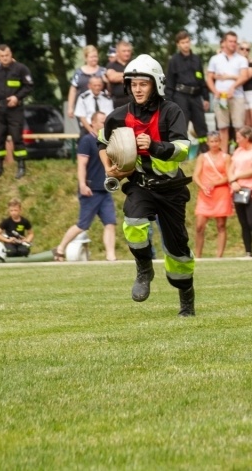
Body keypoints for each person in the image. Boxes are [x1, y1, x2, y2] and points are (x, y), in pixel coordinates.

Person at [98, 54, 196, 317]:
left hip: (172, 189)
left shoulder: (172, 112)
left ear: (156, 84)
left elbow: (183, 150)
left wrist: (154, 146)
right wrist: (109, 168)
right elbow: (102, 142)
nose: (138, 89)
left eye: (143, 84)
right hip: (140, 185)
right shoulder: (118, 116)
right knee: (133, 223)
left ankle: (186, 300)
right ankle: (144, 270)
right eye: (133, 84)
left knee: (178, 251)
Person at [54, 111, 117, 262]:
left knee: (110, 223)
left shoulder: (107, 142)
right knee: (82, 225)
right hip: (90, 190)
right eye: (102, 122)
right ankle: (60, 248)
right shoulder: (87, 141)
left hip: (105, 189)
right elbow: (81, 165)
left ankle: (111, 256)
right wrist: (82, 184)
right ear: (93, 123)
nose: (105, 125)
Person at [0, 44, 34, 180]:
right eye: (2, 56)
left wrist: (17, 97)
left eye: (7, 55)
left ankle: (21, 166)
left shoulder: (21, 69)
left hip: (15, 109)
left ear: (11, 54)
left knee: (17, 138)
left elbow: (29, 86)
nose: (5, 58)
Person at [166, 30, 210, 152]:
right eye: (183, 42)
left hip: (196, 95)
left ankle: (204, 152)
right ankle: (180, 153)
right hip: (181, 96)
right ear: (178, 44)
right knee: (181, 125)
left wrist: (206, 98)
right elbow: (170, 82)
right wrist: (169, 102)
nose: (186, 45)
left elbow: (201, 79)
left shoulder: (196, 59)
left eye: (187, 42)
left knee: (201, 124)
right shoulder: (174, 60)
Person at [228, 126, 252, 257]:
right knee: (243, 223)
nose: (237, 140)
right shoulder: (238, 151)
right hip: (237, 189)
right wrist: (233, 182)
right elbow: (230, 169)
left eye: (239, 138)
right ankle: (248, 252)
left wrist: (236, 176)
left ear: (247, 138)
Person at [193, 132, 233, 258]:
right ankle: (198, 255)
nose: (214, 144)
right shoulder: (202, 157)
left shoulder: (226, 157)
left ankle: (219, 256)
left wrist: (214, 183)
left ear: (220, 142)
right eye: (212, 141)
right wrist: (202, 186)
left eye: (216, 141)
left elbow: (229, 176)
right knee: (199, 226)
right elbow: (195, 175)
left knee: (221, 225)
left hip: (221, 193)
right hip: (205, 194)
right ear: (207, 143)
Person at [206, 31, 249, 148]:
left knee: (239, 127)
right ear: (224, 42)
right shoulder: (215, 59)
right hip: (220, 97)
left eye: (235, 42)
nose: (233, 44)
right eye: (230, 41)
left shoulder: (241, 59)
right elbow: (209, 77)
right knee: (222, 127)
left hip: (237, 96)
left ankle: (239, 153)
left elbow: (244, 76)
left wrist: (233, 87)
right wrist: (215, 91)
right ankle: (224, 154)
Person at [66, 45, 108, 121]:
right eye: (91, 57)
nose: (94, 59)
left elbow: (109, 89)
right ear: (86, 58)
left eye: (95, 56)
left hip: (101, 107)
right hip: (83, 107)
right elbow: (73, 90)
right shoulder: (79, 73)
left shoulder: (103, 71)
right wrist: (70, 107)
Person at [105, 40, 133, 108]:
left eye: (128, 51)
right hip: (117, 103)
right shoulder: (111, 65)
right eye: (124, 51)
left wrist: (119, 76)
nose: (127, 53)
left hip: (133, 101)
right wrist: (132, 75)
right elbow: (112, 77)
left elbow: (139, 77)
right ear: (117, 52)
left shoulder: (134, 63)